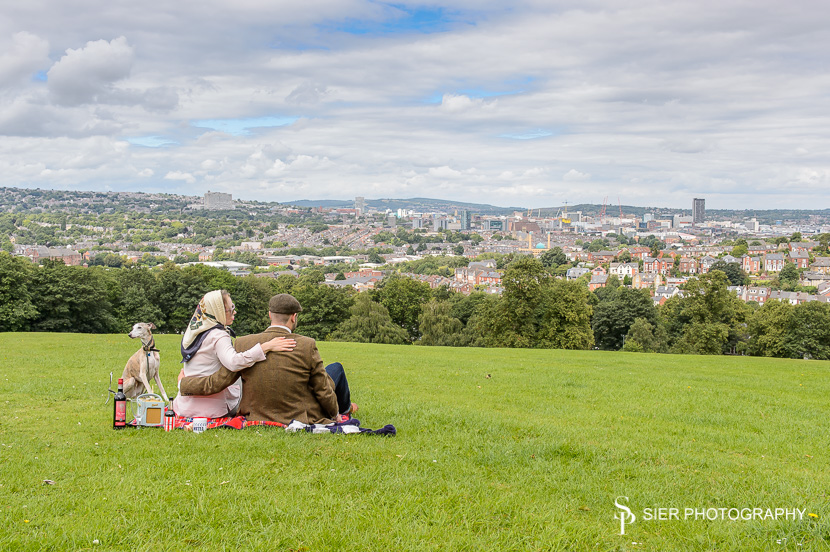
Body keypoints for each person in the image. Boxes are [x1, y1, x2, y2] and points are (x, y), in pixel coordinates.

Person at [178, 293, 357, 425]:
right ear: (294, 317)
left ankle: (347, 406)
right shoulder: (306, 344)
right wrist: (335, 414)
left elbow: (218, 381)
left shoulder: (243, 343)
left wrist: (184, 384)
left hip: (256, 413)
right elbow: (323, 389)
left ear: (270, 315)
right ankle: (346, 408)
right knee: (335, 370)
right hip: (296, 410)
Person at [172, 290, 296, 418]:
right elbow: (234, 363)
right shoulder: (218, 335)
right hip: (212, 409)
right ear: (217, 311)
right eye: (230, 309)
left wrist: (182, 384)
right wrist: (266, 347)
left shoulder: (196, 332)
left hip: (184, 406)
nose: (234, 312)